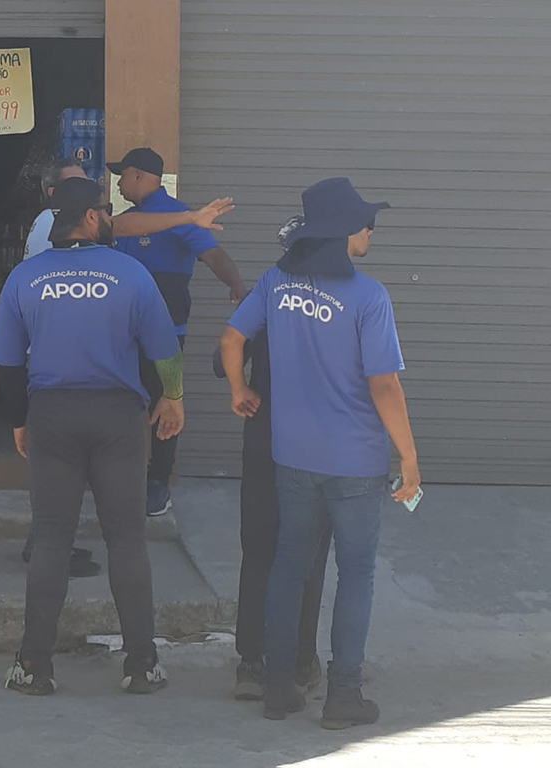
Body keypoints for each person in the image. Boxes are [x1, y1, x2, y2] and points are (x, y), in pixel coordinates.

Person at [221, 177, 422, 729]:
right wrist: (408, 456)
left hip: (293, 457)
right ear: (344, 234)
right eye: (365, 224)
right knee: (355, 574)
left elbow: (232, 340)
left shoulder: (274, 283)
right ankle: (342, 696)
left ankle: (279, 688)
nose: (370, 231)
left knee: (289, 566)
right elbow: (384, 385)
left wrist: (241, 392)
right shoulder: (368, 297)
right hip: (355, 462)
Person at [0, 177, 186, 696]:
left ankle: (33, 667)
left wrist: (19, 420)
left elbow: (7, 363)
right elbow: (164, 349)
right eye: (107, 208)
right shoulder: (132, 273)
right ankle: (141, 665)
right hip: (118, 417)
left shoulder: (25, 278)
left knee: (51, 537)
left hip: (52, 413)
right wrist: (174, 396)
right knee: (126, 538)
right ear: (93, 218)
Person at [19, 157, 235, 576]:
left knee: (61, 475)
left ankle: (50, 550)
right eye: (86, 195)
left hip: (63, 379)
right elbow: (124, 228)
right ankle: (53, 553)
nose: (100, 203)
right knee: (67, 476)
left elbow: (128, 227)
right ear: (59, 200)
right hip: (65, 376)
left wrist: (186, 217)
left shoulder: (65, 233)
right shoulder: (52, 229)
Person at [213, 215, 331, 702]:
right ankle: (302, 660)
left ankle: (251, 663)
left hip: (265, 430)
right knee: (308, 554)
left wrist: (242, 389)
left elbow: (222, 353)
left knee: (259, 547)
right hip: (320, 442)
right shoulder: (346, 299)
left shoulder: (267, 290)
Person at [110, 147, 247, 517]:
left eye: (122, 175)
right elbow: (112, 232)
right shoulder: (126, 220)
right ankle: (122, 478)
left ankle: (158, 483)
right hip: (120, 333)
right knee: (121, 405)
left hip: (165, 333)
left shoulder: (182, 216)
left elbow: (213, 255)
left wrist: (237, 286)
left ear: (139, 175)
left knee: (165, 405)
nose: (118, 183)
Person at [23, 157, 236, 260]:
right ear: (53, 193)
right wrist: (190, 217)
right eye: (75, 184)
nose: (86, 187)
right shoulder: (49, 220)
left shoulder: (51, 223)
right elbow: (121, 227)